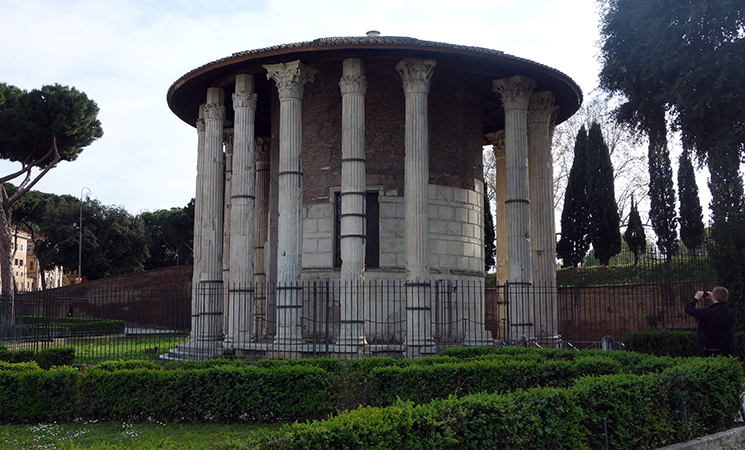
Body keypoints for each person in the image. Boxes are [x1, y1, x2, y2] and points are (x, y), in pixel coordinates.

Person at [685, 287, 737, 357]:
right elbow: (724, 305)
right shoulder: (732, 312)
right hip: (728, 348)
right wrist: (718, 298)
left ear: (714, 298)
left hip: (711, 349)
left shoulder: (708, 312)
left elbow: (688, 309)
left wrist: (696, 298)